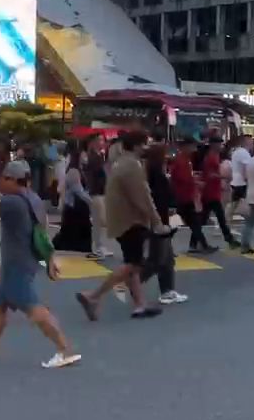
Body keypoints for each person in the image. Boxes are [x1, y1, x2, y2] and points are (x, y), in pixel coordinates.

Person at [0, 161, 81, 369]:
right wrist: (49, 260)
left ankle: (65, 349)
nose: (1, 182)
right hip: (20, 262)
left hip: (16, 265)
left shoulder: (11, 202)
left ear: (12, 179)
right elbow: (42, 232)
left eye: (4, 178)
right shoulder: (34, 199)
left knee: (35, 310)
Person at [76, 131, 168, 321]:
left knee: (131, 264)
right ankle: (93, 295)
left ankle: (140, 305)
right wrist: (157, 222)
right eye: (144, 144)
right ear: (135, 146)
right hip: (131, 221)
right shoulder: (131, 166)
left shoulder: (121, 163)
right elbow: (143, 197)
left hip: (122, 220)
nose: (146, 147)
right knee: (132, 264)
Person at [144, 144, 188, 305]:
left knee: (165, 259)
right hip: (160, 222)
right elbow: (162, 200)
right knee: (158, 260)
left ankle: (167, 291)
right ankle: (129, 279)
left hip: (159, 221)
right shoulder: (158, 177)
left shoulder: (151, 174)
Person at [170, 138, 216, 255]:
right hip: (182, 196)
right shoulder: (180, 161)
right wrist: (196, 182)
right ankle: (200, 245)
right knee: (185, 223)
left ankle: (196, 245)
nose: (194, 149)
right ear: (185, 147)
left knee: (194, 222)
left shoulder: (186, 160)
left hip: (186, 195)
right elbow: (182, 178)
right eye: (192, 146)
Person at [52, 147, 93, 256]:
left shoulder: (81, 170)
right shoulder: (73, 171)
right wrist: (91, 201)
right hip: (75, 207)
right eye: (84, 156)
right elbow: (78, 191)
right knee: (74, 231)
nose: (86, 158)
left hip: (79, 207)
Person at [199, 137, 238, 249]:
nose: (221, 146)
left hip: (213, 191)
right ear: (214, 145)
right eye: (219, 144)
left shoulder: (214, 156)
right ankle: (229, 239)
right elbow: (210, 175)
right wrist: (223, 177)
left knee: (205, 219)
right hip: (210, 192)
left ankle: (197, 242)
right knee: (218, 218)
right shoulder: (211, 157)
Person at [83, 134, 112, 258]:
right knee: (98, 221)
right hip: (96, 192)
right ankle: (98, 247)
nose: (103, 142)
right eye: (100, 139)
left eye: (103, 140)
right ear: (93, 142)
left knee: (99, 221)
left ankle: (99, 246)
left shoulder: (99, 156)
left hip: (100, 191)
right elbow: (94, 175)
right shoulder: (92, 157)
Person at [226, 134, 253, 223]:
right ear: (245, 142)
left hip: (237, 182)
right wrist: (248, 180)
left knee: (234, 204)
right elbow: (246, 168)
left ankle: (225, 223)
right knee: (243, 203)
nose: (252, 142)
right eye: (250, 140)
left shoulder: (237, 151)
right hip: (241, 182)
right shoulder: (243, 153)